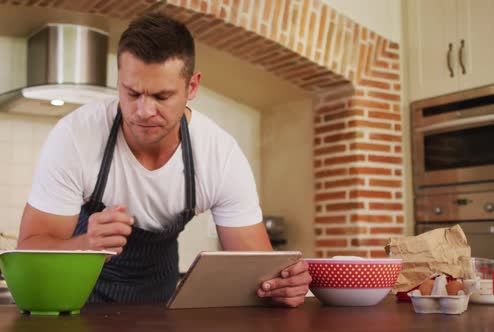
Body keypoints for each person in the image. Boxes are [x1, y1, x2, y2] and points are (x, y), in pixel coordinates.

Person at [17, 12, 311, 307]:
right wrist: (84, 246)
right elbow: (28, 251)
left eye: (161, 96)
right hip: (75, 305)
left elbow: (260, 273)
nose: (144, 111)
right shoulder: (75, 136)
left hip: (159, 306)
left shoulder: (219, 155)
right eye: (132, 93)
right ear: (119, 81)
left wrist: (283, 285)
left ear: (192, 88)